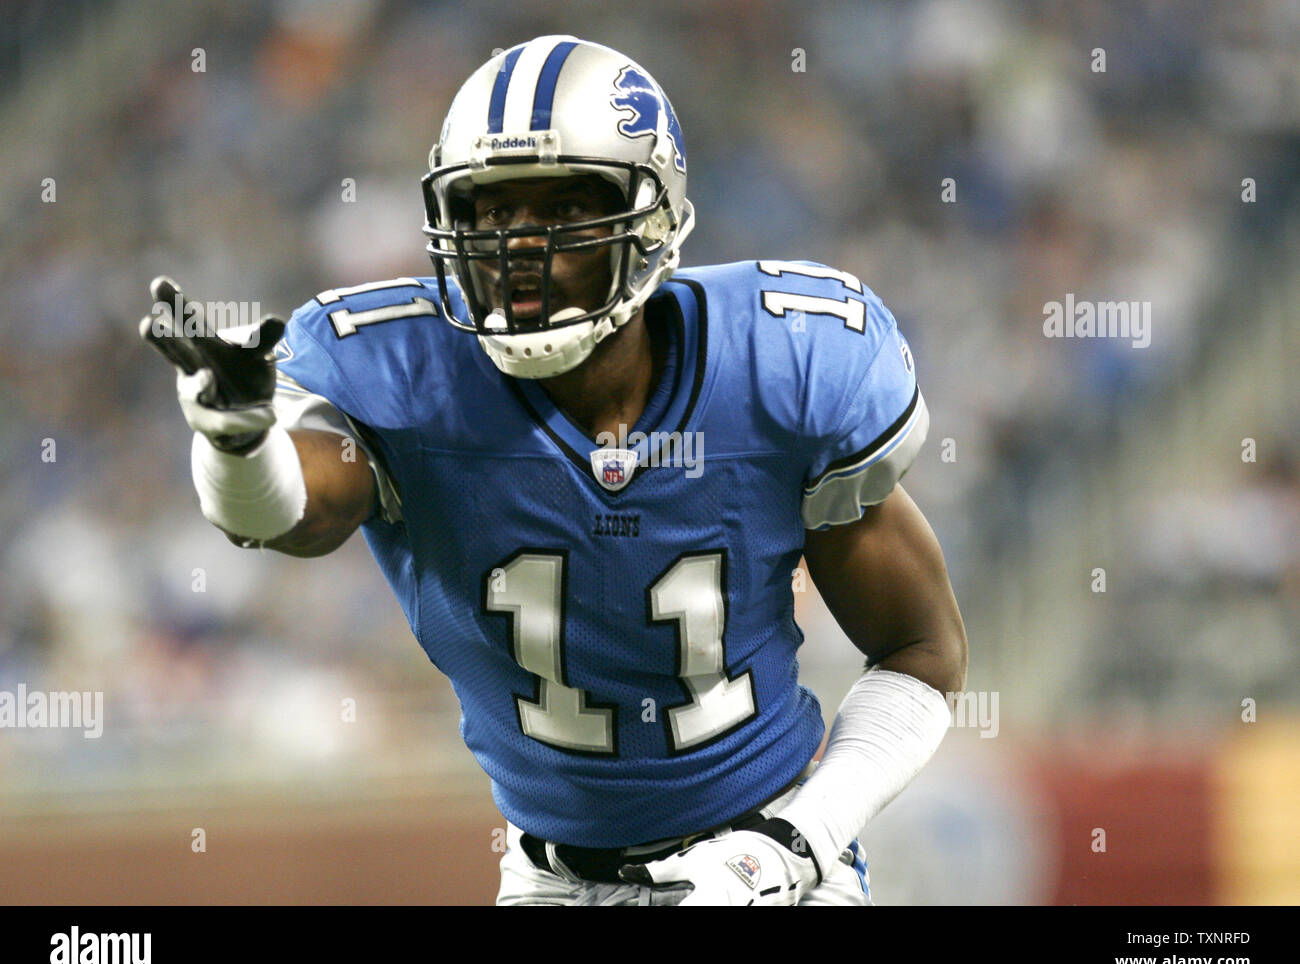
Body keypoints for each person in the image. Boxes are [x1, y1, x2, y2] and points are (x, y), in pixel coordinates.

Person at [141, 35, 967, 906]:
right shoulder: (408, 376)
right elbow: (294, 514)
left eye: (562, 210)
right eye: (490, 213)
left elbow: (923, 649)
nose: (516, 250)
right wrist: (237, 440)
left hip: (773, 850)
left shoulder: (784, 363)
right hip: (551, 879)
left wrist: (791, 846)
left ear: (650, 220)